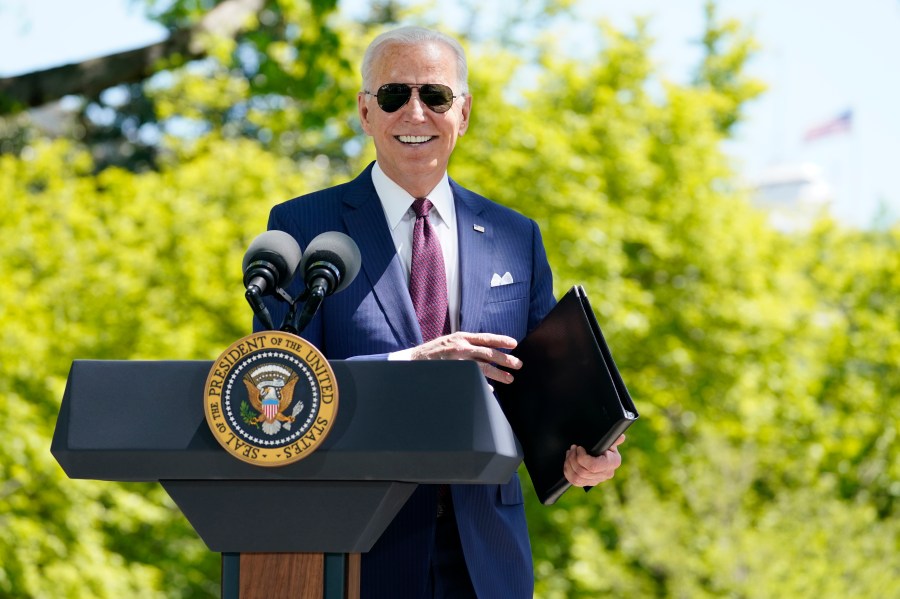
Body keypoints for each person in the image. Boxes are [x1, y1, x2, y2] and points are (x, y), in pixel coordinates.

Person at [259, 25, 625, 599]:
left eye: (434, 95)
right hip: (357, 546)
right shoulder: (303, 229)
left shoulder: (515, 236)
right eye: (393, 95)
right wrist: (414, 363)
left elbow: (541, 390)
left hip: (487, 553)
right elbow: (279, 389)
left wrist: (583, 452)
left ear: (464, 111)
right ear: (364, 111)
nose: (415, 112)